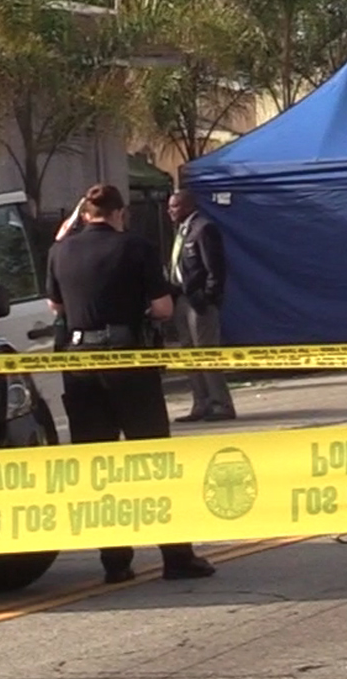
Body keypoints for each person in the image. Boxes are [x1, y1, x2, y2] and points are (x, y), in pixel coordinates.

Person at [47, 183, 215, 584]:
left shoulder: (59, 251)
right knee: (152, 462)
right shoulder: (135, 247)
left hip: (80, 364)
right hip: (129, 361)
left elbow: (55, 306)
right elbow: (162, 307)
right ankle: (176, 556)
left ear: (85, 214)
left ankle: (115, 561)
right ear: (120, 213)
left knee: (99, 468)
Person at [168, 190, 236, 423]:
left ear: (187, 205)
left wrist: (207, 297)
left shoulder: (204, 228)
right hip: (181, 298)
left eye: (175, 206)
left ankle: (221, 404)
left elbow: (215, 269)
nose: (170, 211)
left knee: (205, 353)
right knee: (189, 354)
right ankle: (201, 403)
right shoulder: (182, 231)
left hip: (199, 303)